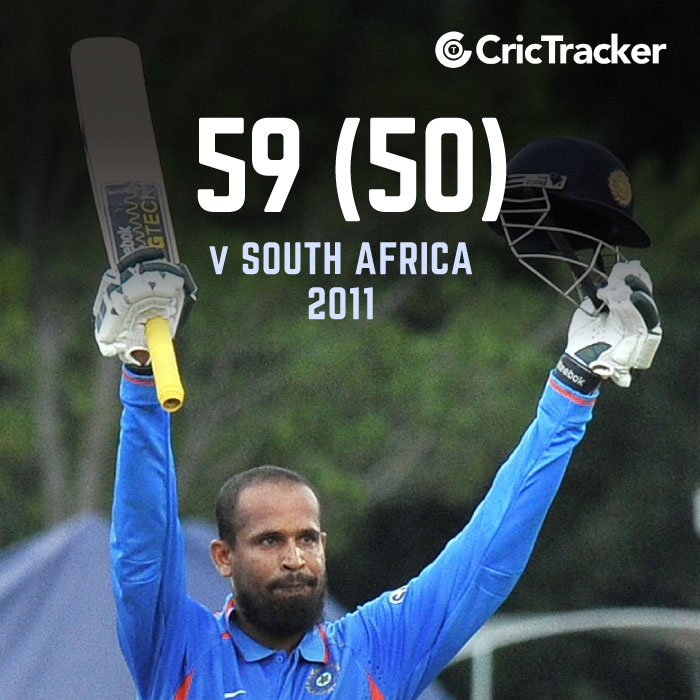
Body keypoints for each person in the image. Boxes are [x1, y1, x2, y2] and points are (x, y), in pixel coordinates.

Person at [95, 146, 662, 700]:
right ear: (224, 557)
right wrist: (142, 377)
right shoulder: (180, 648)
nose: (295, 558)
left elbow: (487, 555)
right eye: (269, 540)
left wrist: (572, 388)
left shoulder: (375, 652)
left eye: (307, 539)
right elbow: (142, 551)